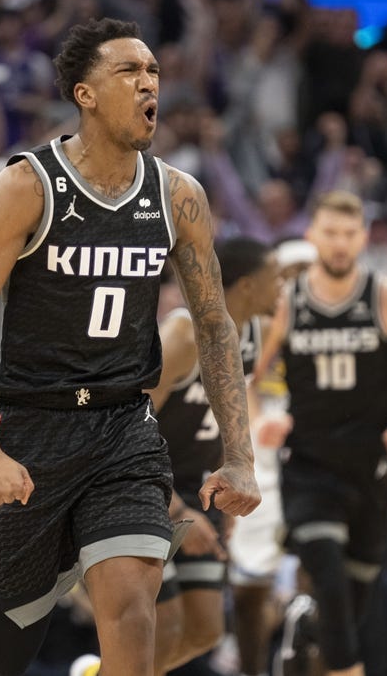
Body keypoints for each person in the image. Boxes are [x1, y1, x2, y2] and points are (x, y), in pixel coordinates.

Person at [0, 17, 261, 676]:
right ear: (84, 94)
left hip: (123, 429)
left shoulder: (178, 197)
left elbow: (215, 326)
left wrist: (241, 455)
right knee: (0, 648)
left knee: (133, 606)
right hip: (31, 429)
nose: (149, 84)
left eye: (154, 72)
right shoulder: (29, 187)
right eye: (129, 72)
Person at [276, 190, 387, 676]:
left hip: (371, 469)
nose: (339, 244)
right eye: (330, 233)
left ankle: (307, 634)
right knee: (329, 581)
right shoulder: (287, 302)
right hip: (308, 468)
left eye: (349, 235)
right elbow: (245, 373)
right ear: (312, 236)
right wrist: (261, 415)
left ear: (364, 239)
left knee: (350, 606)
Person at [145, 236, 282, 675]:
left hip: (193, 484)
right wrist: (177, 507)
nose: (281, 287)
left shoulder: (253, 335)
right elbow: (127, 422)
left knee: (205, 629)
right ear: (245, 286)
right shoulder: (184, 332)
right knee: (160, 628)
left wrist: (229, 479)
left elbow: (231, 416)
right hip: (140, 480)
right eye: (273, 278)